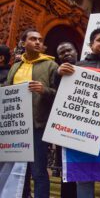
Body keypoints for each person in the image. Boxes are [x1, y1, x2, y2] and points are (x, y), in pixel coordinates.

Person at [57, 27, 100, 198]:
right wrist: (59, 75)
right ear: (91, 44)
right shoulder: (77, 67)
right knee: (84, 176)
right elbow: (63, 95)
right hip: (82, 129)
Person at [6, 28, 58, 198]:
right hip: (15, 126)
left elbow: (60, 94)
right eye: (33, 39)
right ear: (23, 43)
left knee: (38, 171)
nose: (37, 42)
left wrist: (45, 90)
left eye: (40, 40)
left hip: (37, 125)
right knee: (19, 170)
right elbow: (7, 92)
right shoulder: (15, 67)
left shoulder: (51, 65)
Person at [54, 42, 78, 198]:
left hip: (90, 128)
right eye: (62, 53)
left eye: (69, 50)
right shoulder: (55, 73)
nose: (66, 54)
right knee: (67, 170)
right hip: (65, 129)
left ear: (76, 52)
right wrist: (57, 74)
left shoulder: (88, 67)